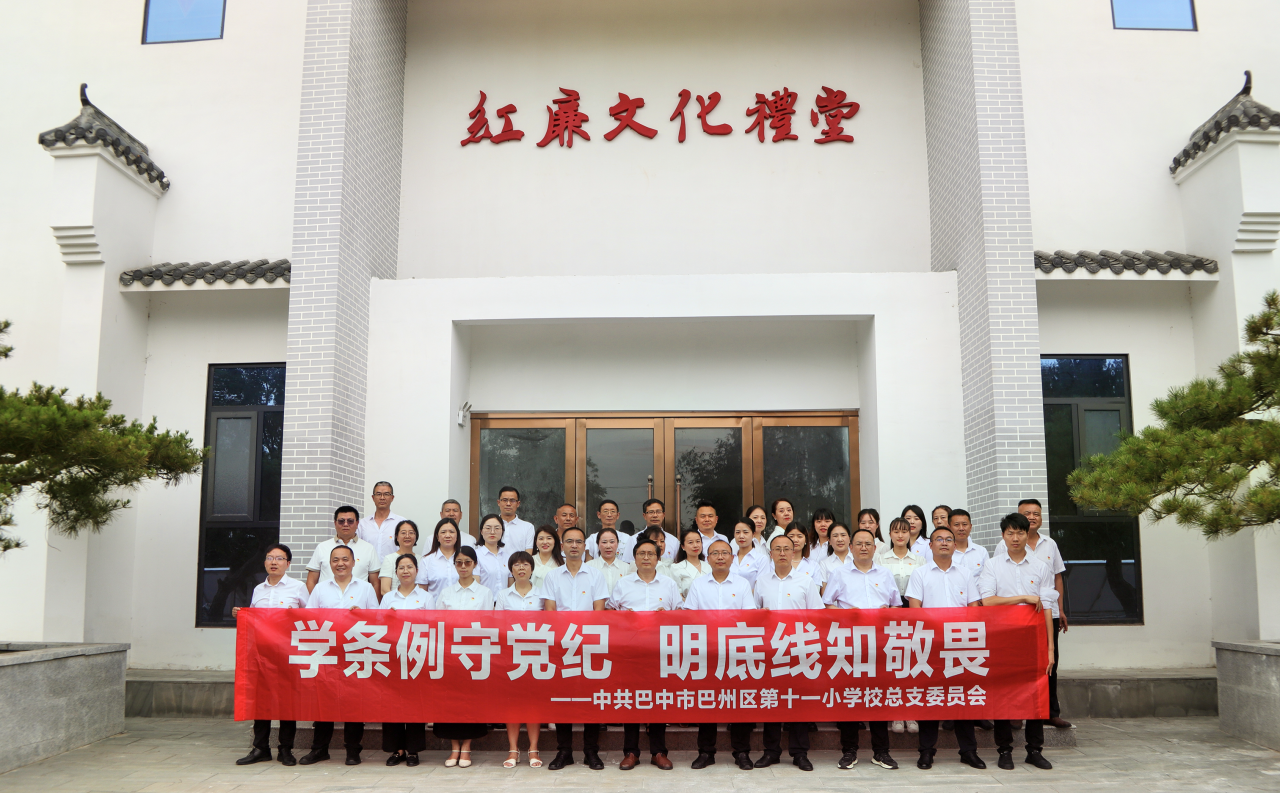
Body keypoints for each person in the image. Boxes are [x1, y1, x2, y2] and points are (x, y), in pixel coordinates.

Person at [979, 513, 1057, 771]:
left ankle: (1034, 750)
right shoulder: (992, 565)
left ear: (1027, 534)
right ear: (1003, 535)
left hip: (1032, 639)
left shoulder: (1040, 567)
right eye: (1010, 533)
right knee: (1003, 694)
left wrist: (1050, 648)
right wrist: (1024, 598)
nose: (1015, 538)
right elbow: (988, 601)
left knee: (1036, 693)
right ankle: (1004, 750)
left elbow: (1047, 607)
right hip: (1002, 638)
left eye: (1020, 532)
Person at [905, 526, 984, 770]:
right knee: (930, 698)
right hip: (930, 644)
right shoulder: (920, 573)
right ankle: (927, 751)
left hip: (960, 644)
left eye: (949, 539)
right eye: (939, 539)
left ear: (954, 545)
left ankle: (968, 751)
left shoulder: (965, 573)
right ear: (930, 545)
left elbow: (974, 608)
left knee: (962, 698)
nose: (944, 543)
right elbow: (915, 610)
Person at [823, 528, 899, 771]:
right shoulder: (839, 573)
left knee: (878, 697)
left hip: (879, 644)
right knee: (850, 696)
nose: (864, 547)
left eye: (868, 543)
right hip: (849, 643)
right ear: (851, 548)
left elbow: (896, 606)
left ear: (875, 548)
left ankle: (881, 751)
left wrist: (887, 615)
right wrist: (848, 615)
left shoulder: (885, 574)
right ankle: (849, 751)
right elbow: (826, 605)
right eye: (859, 543)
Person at [682, 537, 757, 770]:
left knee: (739, 702)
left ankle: (741, 752)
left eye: (725, 553)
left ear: (732, 558)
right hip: (708, 652)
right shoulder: (698, 585)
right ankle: (706, 752)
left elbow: (749, 617)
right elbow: (690, 617)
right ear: (708, 558)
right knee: (707, 702)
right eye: (715, 553)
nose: (720, 557)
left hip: (736, 652)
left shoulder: (742, 584)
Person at [301, 545, 379, 766]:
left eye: (345, 559)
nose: (340, 564)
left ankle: (353, 750)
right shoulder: (320, 588)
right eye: (335, 560)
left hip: (356, 652)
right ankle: (319, 749)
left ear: (354, 562)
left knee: (354, 703)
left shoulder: (366, 588)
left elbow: (377, 619)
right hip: (327, 653)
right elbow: (309, 619)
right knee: (323, 702)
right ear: (330, 564)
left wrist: (361, 615)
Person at [608, 538, 681, 770]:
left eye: (651, 554)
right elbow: (609, 613)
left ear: (658, 558)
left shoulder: (669, 584)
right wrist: (623, 616)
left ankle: (658, 752)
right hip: (630, 652)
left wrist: (666, 615)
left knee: (659, 700)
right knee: (630, 700)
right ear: (635, 557)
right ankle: (631, 752)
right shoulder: (623, 584)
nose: (646, 557)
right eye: (641, 553)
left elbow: (681, 614)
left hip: (660, 651)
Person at [233, 544, 308, 766]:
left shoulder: (298, 587)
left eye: (279, 558)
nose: (274, 562)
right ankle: (261, 748)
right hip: (261, 654)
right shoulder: (259, 589)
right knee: (262, 701)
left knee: (287, 702)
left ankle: (285, 749)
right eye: (269, 558)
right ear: (265, 562)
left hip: (288, 653)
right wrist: (241, 614)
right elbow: (253, 619)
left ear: (288, 563)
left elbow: (311, 617)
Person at [753, 533, 822, 771]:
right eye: (777, 549)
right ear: (770, 554)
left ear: (794, 553)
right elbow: (753, 616)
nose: (782, 553)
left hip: (798, 649)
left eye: (786, 549)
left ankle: (800, 753)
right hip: (770, 650)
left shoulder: (805, 581)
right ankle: (771, 751)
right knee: (771, 700)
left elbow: (817, 616)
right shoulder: (761, 581)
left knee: (799, 702)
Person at [543, 527, 609, 771]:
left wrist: (584, 636)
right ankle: (564, 751)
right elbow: (550, 612)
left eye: (578, 542)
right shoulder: (552, 576)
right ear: (562, 546)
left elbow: (599, 611)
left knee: (590, 699)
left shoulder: (595, 575)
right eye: (569, 541)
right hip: (561, 645)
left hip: (589, 644)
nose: (573, 545)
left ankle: (591, 751)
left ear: (585, 547)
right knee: (563, 699)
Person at [1008, 498, 1071, 728]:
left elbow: (1057, 578)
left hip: (1047, 614)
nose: (1032, 517)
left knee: (1049, 661)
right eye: (1027, 513)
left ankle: (1050, 712)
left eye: (1036, 513)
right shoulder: (1007, 544)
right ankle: (1016, 711)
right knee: (1017, 663)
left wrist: (1060, 609)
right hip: (1018, 616)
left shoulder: (1050, 544)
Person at [432, 546, 492, 766]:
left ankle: (466, 747)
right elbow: (438, 624)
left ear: (474, 564)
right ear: (454, 565)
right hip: (450, 654)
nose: (463, 566)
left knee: (470, 701)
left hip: (474, 654)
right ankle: (453, 748)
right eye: (459, 562)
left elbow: (488, 625)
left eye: (468, 562)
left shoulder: (485, 593)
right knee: (450, 701)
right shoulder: (446, 593)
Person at [379, 553, 432, 767]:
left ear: (417, 571)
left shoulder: (426, 598)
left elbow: (433, 626)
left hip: (417, 655)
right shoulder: (388, 598)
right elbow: (379, 626)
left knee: (414, 702)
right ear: (396, 573)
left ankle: (413, 750)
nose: (405, 571)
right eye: (401, 567)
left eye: (410, 567)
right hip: (393, 655)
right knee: (392, 701)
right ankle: (397, 749)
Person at [495, 551, 546, 768]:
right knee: (513, 703)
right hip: (511, 655)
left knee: (534, 703)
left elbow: (549, 624)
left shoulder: (542, 594)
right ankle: (513, 749)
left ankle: (533, 749)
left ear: (532, 568)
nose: (521, 568)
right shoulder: (503, 595)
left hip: (536, 654)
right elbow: (498, 625)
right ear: (511, 570)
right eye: (516, 565)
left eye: (525, 564)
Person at [877, 517, 925, 734]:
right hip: (889, 614)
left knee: (913, 662)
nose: (900, 535)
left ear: (910, 533)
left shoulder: (920, 560)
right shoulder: (880, 559)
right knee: (894, 662)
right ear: (889, 534)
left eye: (904, 531)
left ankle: (912, 713)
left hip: (914, 612)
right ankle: (896, 713)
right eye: (896, 531)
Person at [305, 506, 380, 594]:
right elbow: (311, 581)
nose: (345, 524)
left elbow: (375, 583)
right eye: (341, 521)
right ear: (335, 523)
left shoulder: (368, 548)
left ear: (357, 523)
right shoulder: (322, 547)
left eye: (350, 521)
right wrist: (313, 602)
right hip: (326, 600)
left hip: (358, 600)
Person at [357, 481, 410, 560]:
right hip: (368, 567)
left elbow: (407, 549)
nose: (382, 498)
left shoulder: (402, 523)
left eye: (386, 494)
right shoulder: (362, 524)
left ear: (392, 498)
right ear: (373, 498)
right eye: (378, 494)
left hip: (393, 567)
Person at [418, 518, 463, 596]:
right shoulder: (426, 560)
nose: (447, 535)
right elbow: (422, 592)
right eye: (443, 532)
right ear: (437, 537)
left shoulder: (465, 560)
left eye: (451, 532)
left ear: (457, 536)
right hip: (436, 604)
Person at [585, 527, 634, 593]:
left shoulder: (627, 568)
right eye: (604, 542)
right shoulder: (589, 567)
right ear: (598, 545)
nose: (608, 546)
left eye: (612, 542)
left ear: (617, 544)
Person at [378, 519, 420, 596]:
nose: (407, 536)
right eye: (403, 533)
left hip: (417, 602)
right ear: (397, 537)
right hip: (394, 602)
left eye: (411, 533)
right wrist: (399, 600)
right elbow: (384, 590)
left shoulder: (422, 560)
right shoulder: (389, 559)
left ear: (416, 536)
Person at [948, 509, 990, 581]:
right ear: (949, 527)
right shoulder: (945, 552)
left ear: (970, 527)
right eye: (956, 525)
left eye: (964, 524)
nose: (961, 528)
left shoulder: (981, 551)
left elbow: (988, 577)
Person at [474, 513, 512, 594]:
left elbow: (511, 587)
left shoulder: (507, 557)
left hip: (504, 601)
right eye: (488, 528)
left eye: (497, 528)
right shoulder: (475, 556)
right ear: (481, 531)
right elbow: (475, 586)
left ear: (502, 531)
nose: (492, 532)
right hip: (484, 601)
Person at [669, 528, 711, 596]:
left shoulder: (709, 567)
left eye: (698, 541)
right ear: (683, 546)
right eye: (690, 542)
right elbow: (676, 594)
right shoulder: (676, 568)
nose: (695, 545)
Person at [497, 485, 536, 553]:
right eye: (505, 500)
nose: (508, 504)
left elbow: (528, 554)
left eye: (512, 500)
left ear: (518, 503)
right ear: (498, 502)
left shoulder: (528, 527)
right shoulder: (489, 526)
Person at [816, 522, 854, 590]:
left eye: (843, 535)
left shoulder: (857, 559)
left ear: (849, 538)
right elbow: (824, 592)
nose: (840, 539)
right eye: (835, 536)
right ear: (829, 541)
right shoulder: (824, 564)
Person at [731, 517, 766, 587]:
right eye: (737, 532)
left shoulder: (761, 559)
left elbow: (760, 587)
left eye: (745, 532)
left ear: (753, 534)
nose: (741, 536)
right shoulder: (729, 558)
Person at [785, 523, 819, 590]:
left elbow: (815, 591)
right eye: (791, 536)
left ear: (805, 540)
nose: (795, 540)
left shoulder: (814, 566)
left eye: (800, 536)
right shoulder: (775, 564)